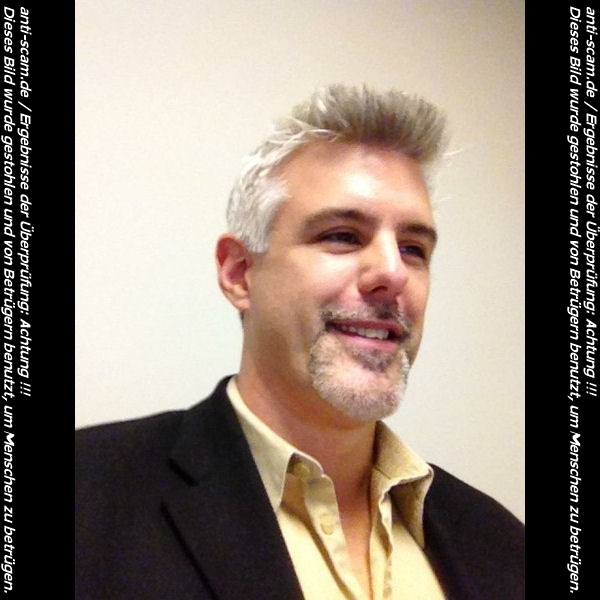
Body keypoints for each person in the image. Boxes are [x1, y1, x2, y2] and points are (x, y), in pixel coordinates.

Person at [75, 84, 524, 600]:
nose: (393, 272)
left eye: (413, 248)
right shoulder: (89, 498)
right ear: (239, 273)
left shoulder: (502, 544)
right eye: (342, 235)